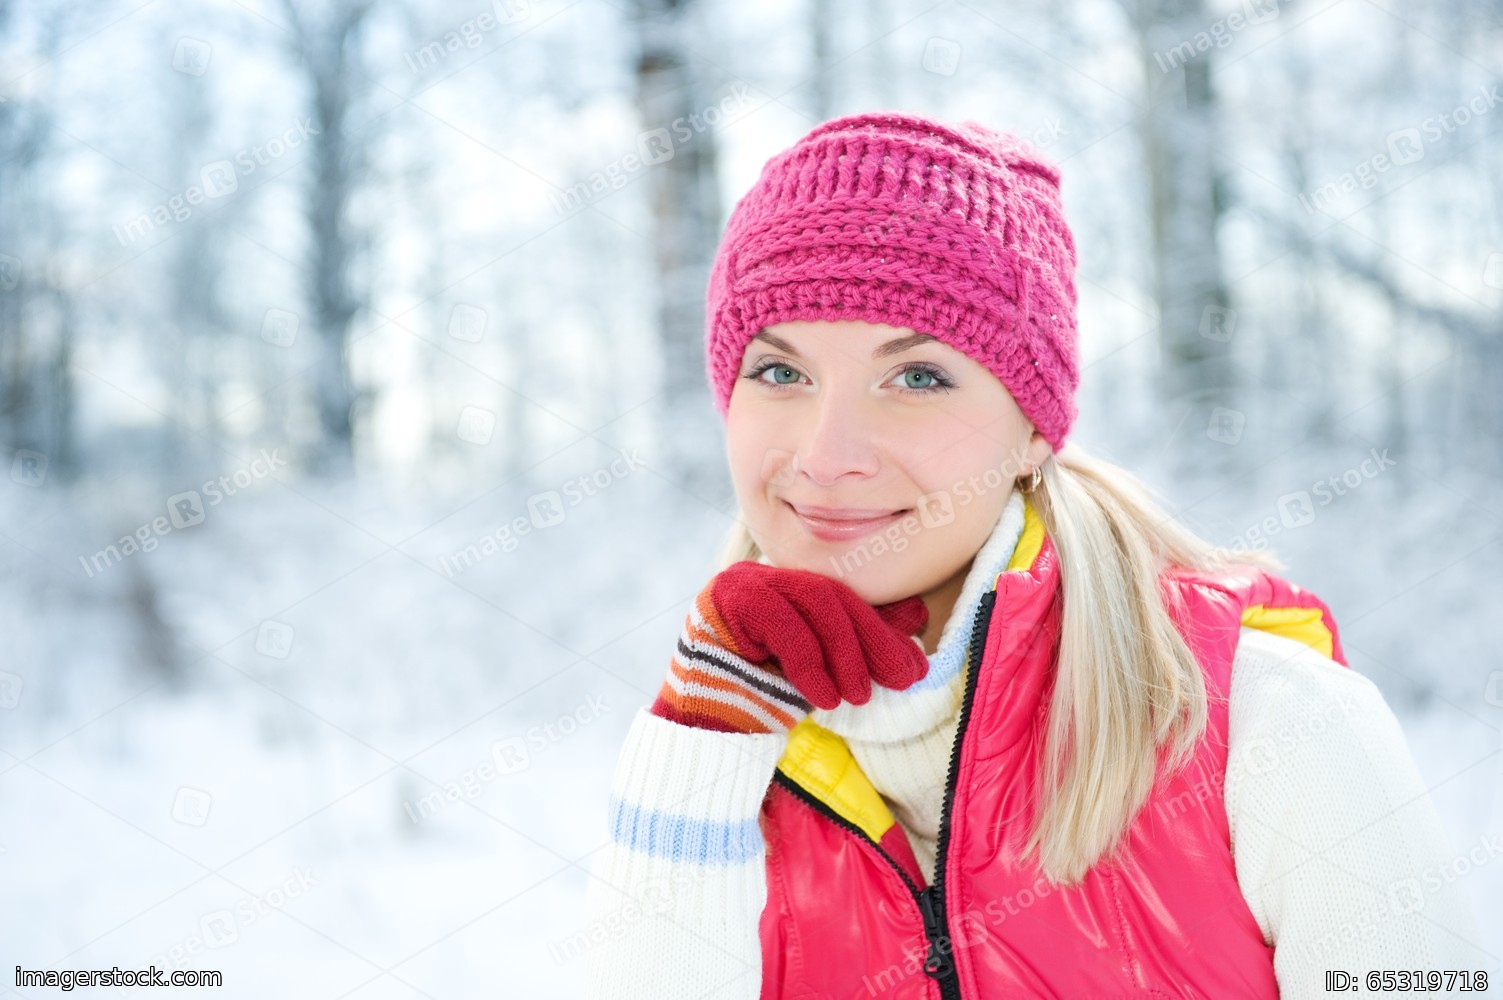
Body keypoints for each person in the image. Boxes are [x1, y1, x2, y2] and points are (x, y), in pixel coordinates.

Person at [580, 111, 1486, 999]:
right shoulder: (718, 739)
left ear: (1030, 431)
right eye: (780, 372)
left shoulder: (1268, 722)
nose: (825, 454)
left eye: (917, 377)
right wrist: (700, 749)